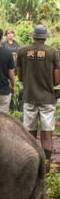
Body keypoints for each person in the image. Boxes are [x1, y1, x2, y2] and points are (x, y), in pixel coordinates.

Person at [17, 23, 60, 165]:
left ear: (34, 36)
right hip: (47, 98)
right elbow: (56, 80)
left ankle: (31, 163)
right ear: (45, 38)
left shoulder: (23, 51)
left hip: (29, 97)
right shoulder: (52, 52)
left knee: (30, 132)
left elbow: (21, 77)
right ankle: (46, 163)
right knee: (47, 132)